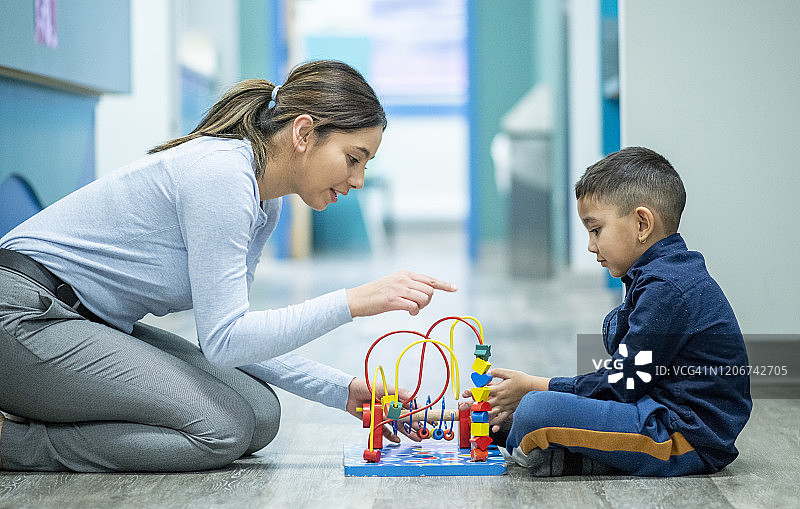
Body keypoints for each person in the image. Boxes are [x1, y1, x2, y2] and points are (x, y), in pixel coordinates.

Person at [0, 60, 456, 472]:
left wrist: (343, 391)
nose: (357, 180)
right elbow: (225, 343)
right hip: (22, 315)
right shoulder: (221, 176)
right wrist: (353, 302)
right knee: (221, 430)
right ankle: (14, 444)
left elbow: (235, 335)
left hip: (86, 322)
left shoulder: (264, 202)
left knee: (260, 414)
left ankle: (45, 401)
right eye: (353, 159)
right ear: (302, 133)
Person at [464, 147, 751, 476]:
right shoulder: (658, 277)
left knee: (535, 408)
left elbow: (621, 383)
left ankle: (509, 428)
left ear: (642, 223)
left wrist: (534, 386)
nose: (590, 245)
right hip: (655, 411)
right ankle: (551, 446)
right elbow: (624, 368)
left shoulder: (668, 289)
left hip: (683, 436)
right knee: (536, 406)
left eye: (596, 229)